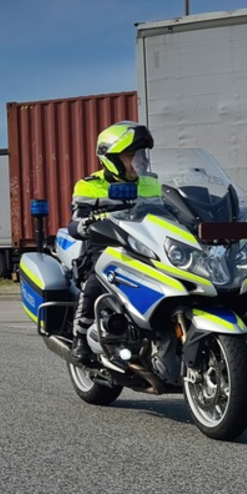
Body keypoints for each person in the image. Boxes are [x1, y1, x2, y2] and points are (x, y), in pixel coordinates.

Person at [67, 121, 160, 365]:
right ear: (111, 158)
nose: (140, 161)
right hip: (107, 248)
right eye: (131, 156)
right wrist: (89, 222)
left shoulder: (152, 183)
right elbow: (75, 224)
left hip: (148, 247)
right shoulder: (90, 185)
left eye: (142, 155)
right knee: (96, 280)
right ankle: (80, 337)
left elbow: (173, 211)